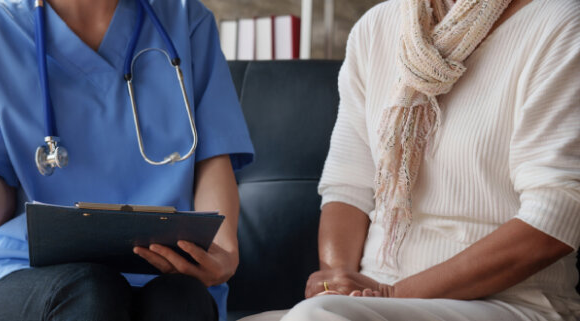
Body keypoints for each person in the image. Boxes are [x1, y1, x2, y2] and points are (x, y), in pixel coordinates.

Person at [0, 0, 254, 320]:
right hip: (20, 268)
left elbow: (212, 157)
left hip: (164, 267)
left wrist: (226, 254)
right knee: (91, 290)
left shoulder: (186, 19)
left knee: (181, 301)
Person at [242, 0, 580, 320]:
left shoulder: (560, 24)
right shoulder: (375, 28)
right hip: (370, 302)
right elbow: (348, 188)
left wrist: (392, 295)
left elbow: (557, 214)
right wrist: (336, 282)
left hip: (507, 302)